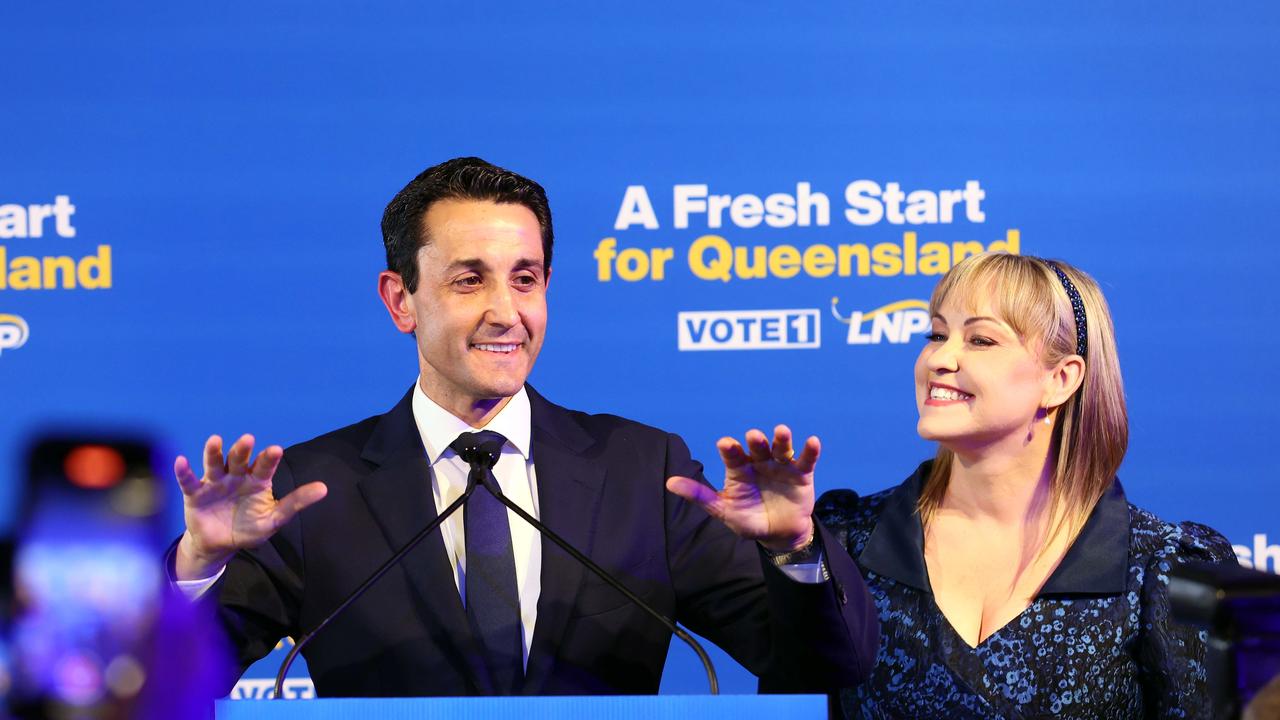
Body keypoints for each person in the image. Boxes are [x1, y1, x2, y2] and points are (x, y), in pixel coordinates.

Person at [169, 157, 878, 697]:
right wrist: (198, 570)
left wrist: (795, 552)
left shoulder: (642, 472)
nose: (506, 311)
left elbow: (826, 670)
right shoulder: (316, 490)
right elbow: (162, 688)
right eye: (469, 280)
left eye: (526, 278)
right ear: (401, 300)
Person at [804, 253, 1236, 717]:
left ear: (1060, 379)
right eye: (935, 334)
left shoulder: (1163, 571)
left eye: (981, 340)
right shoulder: (848, 540)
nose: (940, 359)